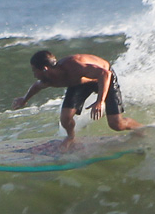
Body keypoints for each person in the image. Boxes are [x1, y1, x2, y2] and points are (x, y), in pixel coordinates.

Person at [11, 50, 142, 146]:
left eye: (35, 70)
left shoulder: (73, 66)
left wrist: (100, 101)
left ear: (45, 69)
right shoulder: (49, 79)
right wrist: (24, 99)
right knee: (65, 117)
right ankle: (71, 138)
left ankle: (140, 128)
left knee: (116, 124)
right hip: (79, 83)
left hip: (103, 78)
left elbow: (104, 73)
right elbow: (37, 86)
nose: (34, 74)